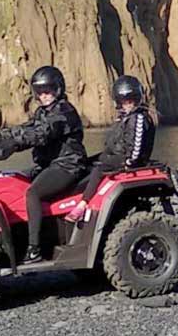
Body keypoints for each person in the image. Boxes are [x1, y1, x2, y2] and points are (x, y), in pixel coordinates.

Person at [0, 66, 88, 263]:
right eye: (40, 92)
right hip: (48, 165)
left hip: (67, 165)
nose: (44, 96)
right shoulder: (42, 112)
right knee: (12, 180)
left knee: (33, 193)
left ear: (58, 89)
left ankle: (34, 249)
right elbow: (27, 128)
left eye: (48, 91)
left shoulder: (64, 111)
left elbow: (41, 134)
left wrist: (15, 143)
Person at [65, 75, 155, 224]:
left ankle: (83, 203)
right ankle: (74, 196)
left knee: (98, 169)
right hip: (119, 155)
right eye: (124, 101)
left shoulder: (137, 118)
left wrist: (129, 163)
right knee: (88, 162)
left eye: (130, 101)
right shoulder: (126, 117)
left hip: (128, 159)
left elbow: (137, 145)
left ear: (137, 98)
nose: (127, 105)